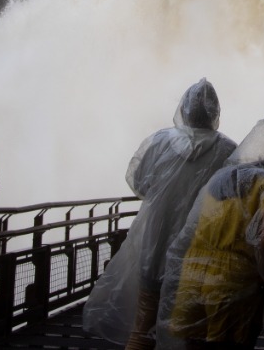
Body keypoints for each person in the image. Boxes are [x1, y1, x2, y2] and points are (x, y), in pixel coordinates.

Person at [83, 78, 236, 350]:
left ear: (184, 109)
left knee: (143, 326)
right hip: (200, 255)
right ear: (215, 114)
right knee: (190, 331)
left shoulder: (159, 141)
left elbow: (139, 183)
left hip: (154, 249)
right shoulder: (228, 150)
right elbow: (232, 201)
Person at [159, 119, 264, 350]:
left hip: (193, 270)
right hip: (232, 278)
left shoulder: (222, 179)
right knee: (227, 342)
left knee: (192, 340)